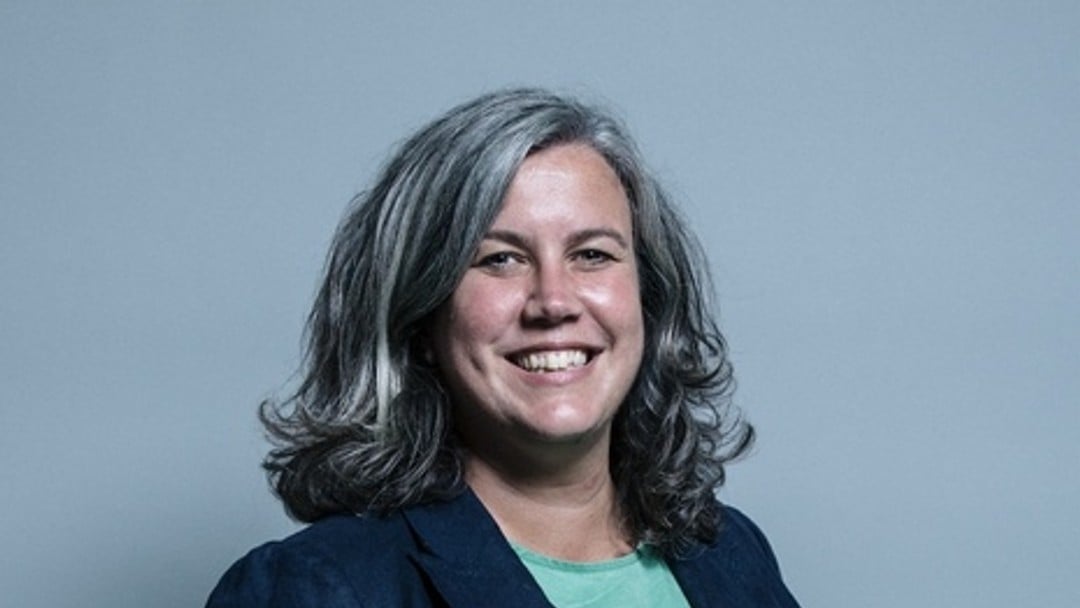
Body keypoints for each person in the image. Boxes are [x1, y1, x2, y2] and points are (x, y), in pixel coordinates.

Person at [207, 88, 800, 607]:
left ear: (648, 298)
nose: (553, 301)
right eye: (500, 259)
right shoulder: (317, 587)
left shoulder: (730, 555)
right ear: (420, 317)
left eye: (592, 254)